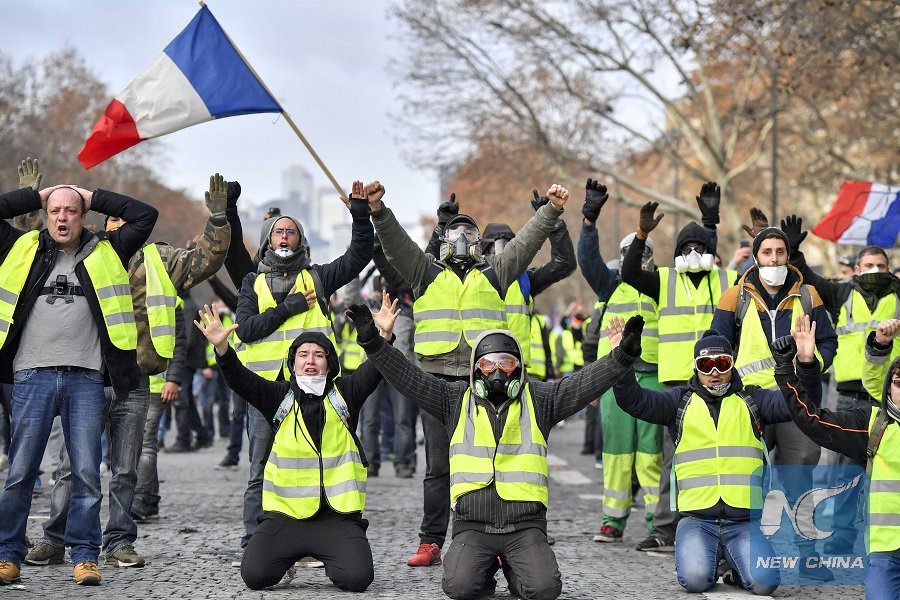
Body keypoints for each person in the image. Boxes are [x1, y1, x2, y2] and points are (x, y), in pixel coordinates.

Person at [346, 299, 644, 599]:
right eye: (488, 364)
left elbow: (584, 384)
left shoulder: (540, 400)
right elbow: (408, 377)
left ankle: (514, 567)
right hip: (473, 527)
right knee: (459, 587)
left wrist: (623, 356)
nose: (497, 372)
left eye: (506, 363)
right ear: (477, 369)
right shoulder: (454, 400)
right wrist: (373, 340)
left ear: (519, 367)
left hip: (525, 527)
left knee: (544, 589)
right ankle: (486, 568)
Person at [26, 171, 230, 569]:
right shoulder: (83, 253)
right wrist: (33, 206)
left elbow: (205, 259)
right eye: (113, 220)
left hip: (135, 380)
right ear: (104, 226)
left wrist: (219, 221)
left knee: (124, 469)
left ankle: (119, 540)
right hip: (87, 376)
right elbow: (33, 248)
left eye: (125, 219)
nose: (120, 225)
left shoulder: (159, 260)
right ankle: (55, 537)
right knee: (70, 467)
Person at [367, 180, 569, 567]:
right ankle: (430, 541)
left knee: (490, 461)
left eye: (470, 232)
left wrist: (551, 211)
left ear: (480, 242)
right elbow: (396, 243)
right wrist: (378, 210)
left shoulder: (496, 272)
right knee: (438, 465)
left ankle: (493, 538)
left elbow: (526, 243)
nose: (462, 237)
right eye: (455, 231)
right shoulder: (424, 271)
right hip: (436, 381)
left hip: (485, 382)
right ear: (443, 239)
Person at [0, 173, 157, 586]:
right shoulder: (22, 247)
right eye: (55, 210)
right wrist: (35, 195)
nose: (62, 217)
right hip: (31, 375)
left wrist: (92, 195)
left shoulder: (108, 249)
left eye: (71, 210)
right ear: (45, 215)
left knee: (87, 473)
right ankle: (7, 554)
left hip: (86, 378)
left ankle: (85, 556)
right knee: (20, 473)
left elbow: (145, 215)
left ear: (83, 216)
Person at [195, 294, 399, 592]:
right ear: (293, 363)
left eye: (318, 355)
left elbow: (376, 369)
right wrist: (222, 348)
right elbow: (240, 379)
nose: (310, 361)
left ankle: (330, 556)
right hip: (285, 518)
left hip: (336, 518)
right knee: (255, 576)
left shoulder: (345, 394)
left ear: (329, 363)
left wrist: (384, 336)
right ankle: (288, 558)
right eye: (303, 355)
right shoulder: (279, 396)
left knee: (356, 580)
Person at [611, 320, 823, 595]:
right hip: (697, 522)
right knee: (696, 580)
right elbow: (633, 400)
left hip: (743, 523)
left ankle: (733, 567)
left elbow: (801, 406)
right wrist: (622, 359)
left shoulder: (753, 400)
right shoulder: (678, 402)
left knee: (765, 583)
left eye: (722, 364)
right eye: (706, 365)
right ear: (695, 367)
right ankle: (712, 561)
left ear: (732, 364)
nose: (714, 372)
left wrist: (806, 363)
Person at [229, 180, 374, 563]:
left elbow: (358, 255)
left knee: (316, 463)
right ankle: (254, 542)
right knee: (260, 466)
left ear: (300, 241)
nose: (284, 236)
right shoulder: (252, 282)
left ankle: (313, 536)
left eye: (291, 231)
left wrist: (360, 216)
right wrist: (289, 307)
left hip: (313, 391)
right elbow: (246, 330)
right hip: (267, 391)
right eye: (279, 230)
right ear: (268, 239)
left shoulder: (319, 278)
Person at [619, 182, 736, 552]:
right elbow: (629, 274)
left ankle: (726, 524)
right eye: (686, 248)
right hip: (679, 386)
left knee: (724, 455)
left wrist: (711, 224)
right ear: (676, 254)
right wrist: (641, 235)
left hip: (721, 381)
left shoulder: (727, 280)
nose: (692, 253)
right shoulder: (664, 280)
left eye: (699, 247)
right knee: (674, 459)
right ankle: (666, 528)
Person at [783, 215, 900, 548]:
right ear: (856, 269)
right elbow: (809, 280)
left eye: (881, 265)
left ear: (889, 269)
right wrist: (795, 252)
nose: (875, 270)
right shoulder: (841, 292)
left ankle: (886, 538)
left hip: (892, 395)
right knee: (846, 471)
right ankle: (843, 538)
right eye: (868, 265)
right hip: (850, 394)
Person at [776, 316, 900, 599]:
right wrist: (788, 369)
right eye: (898, 381)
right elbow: (813, 421)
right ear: (888, 388)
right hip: (887, 553)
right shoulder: (873, 425)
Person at [578, 177, 663, 543]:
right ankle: (613, 520)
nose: (637, 258)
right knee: (616, 452)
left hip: (654, 377)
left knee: (651, 455)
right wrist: (589, 221)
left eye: (642, 253)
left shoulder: (662, 284)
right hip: (614, 378)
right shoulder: (609, 283)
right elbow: (587, 260)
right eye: (629, 252)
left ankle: (657, 523)